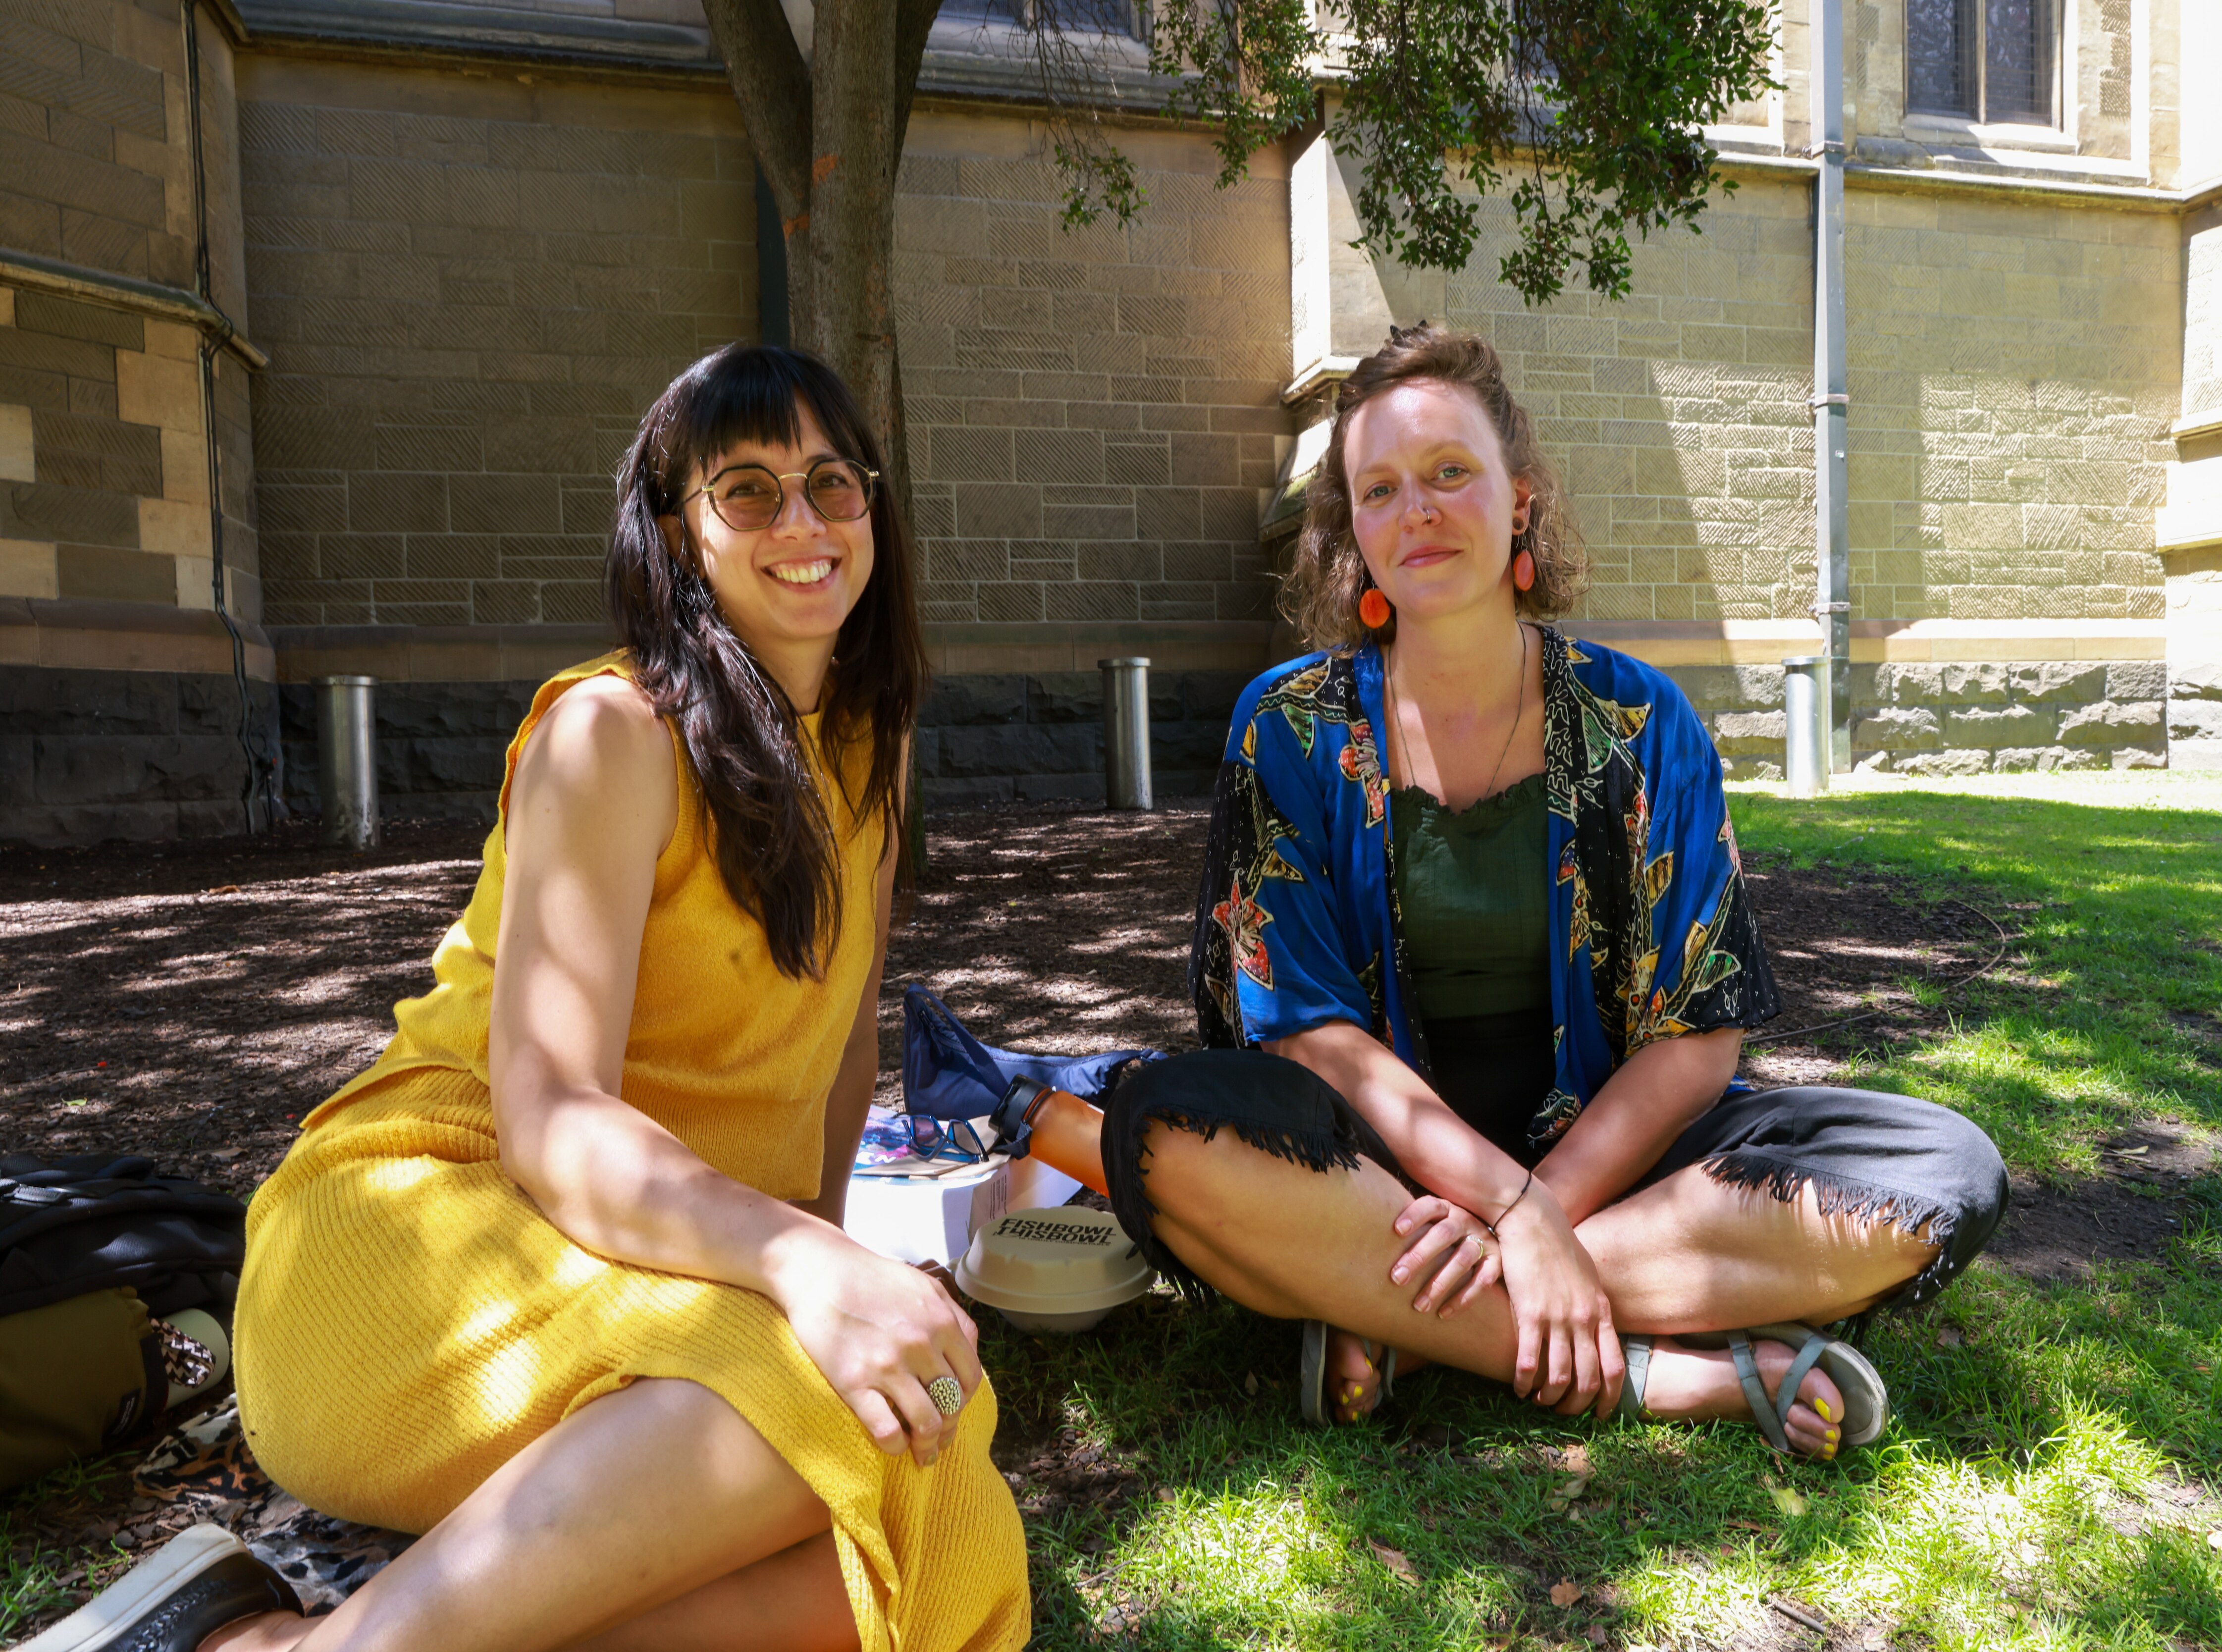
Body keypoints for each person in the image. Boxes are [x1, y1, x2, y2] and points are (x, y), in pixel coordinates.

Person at [74, 346, 1028, 1652]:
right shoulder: (614, 734)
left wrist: (829, 1262)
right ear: (679, 536)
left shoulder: (874, 744)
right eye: (746, 492)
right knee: (840, 1392)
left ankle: (261, 1638)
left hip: (636, 1267)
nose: (802, 524)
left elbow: (834, 1045)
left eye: (830, 483)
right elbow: (551, 1116)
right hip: (416, 1245)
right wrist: (800, 1272)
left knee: (925, 1461)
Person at [1101, 324, 2008, 1454]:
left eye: (1449, 473)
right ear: (1354, 534)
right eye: (1378, 490)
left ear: (1518, 500)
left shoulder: (1641, 723)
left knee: (1938, 1177)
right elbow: (1307, 1039)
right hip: (1377, 1171)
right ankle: (1683, 1377)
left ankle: (1399, 1317)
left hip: (1608, 1167)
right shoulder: (1286, 726)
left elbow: (1695, 1041)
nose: (1416, 511)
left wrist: (1541, 1213)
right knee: (1155, 1132)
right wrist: (1506, 1203)